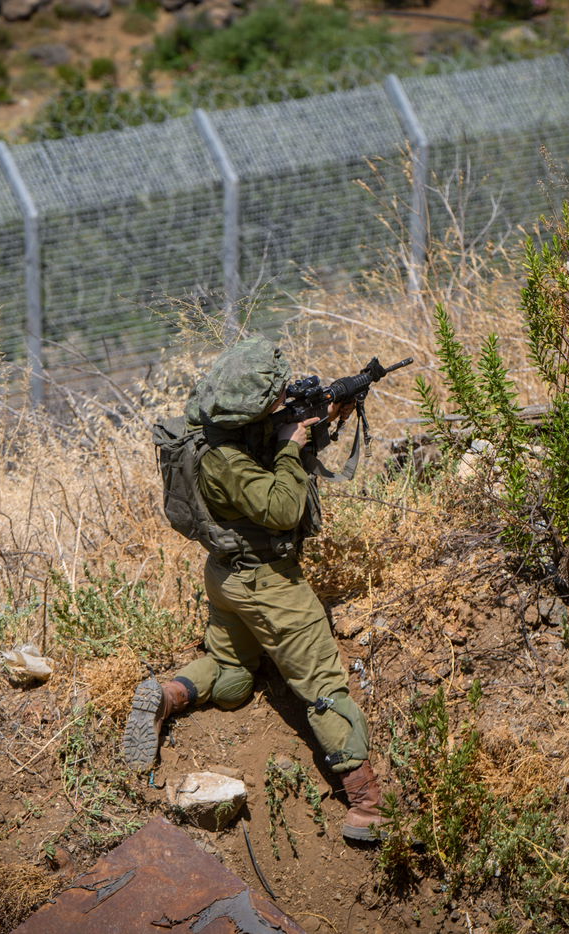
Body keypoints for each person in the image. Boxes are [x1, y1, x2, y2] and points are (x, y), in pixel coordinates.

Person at [123, 337, 387, 843]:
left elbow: (265, 440)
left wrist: (324, 414)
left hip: (226, 578)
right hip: (268, 584)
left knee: (231, 680)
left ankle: (168, 695)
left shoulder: (215, 429)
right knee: (324, 688)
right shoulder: (225, 461)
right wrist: (291, 446)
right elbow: (283, 509)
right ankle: (367, 806)